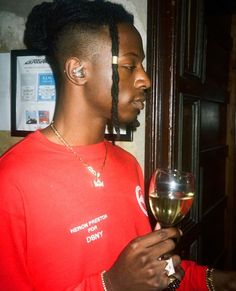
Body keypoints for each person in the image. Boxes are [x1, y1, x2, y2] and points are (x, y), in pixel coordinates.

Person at [0, 0, 236, 290]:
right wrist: (110, 284)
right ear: (78, 71)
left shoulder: (128, 165)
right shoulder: (12, 180)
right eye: (129, 65)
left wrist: (215, 280)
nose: (146, 79)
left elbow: (146, 270)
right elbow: (122, 279)